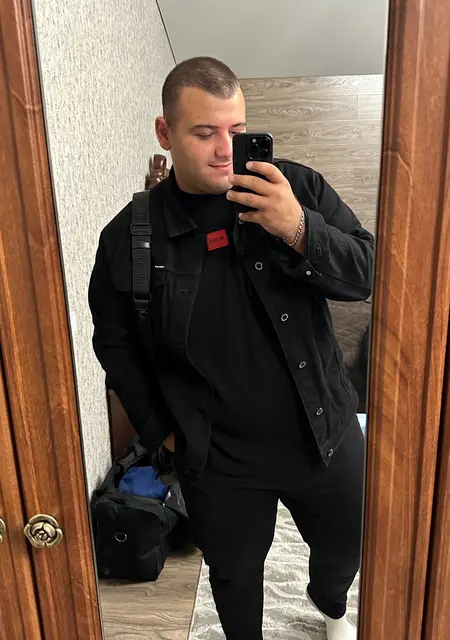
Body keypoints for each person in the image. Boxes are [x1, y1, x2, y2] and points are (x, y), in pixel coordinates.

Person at [88, 56, 373, 640]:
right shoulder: (129, 238)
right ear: (165, 132)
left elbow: (367, 274)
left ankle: (330, 605)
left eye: (237, 130)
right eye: (204, 133)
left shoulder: (296, 188)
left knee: (351, 542)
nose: (226, 150)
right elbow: (114, 345)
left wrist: (298, 228)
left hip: (322, 425)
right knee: (234, 575)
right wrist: (162, 432)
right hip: (217, 455)